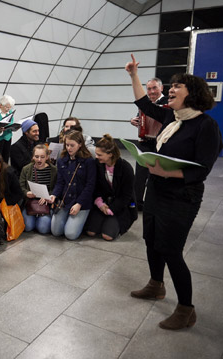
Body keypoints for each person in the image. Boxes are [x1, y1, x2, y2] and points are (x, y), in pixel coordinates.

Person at [125, 54, 222, 330]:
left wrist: (167, 172)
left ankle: (186, 309)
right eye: (171, 86)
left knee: (171, 250)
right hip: (157, 189)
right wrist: (133, 75)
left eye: (177, 87)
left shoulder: (206, 126)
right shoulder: (171, 116)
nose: (170, 89)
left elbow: (202, 169)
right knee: (151, 239)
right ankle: (156, 285)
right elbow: (143, 103)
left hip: (182, 197)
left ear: (193, 95)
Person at [85, 134, 136, 241]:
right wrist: (100, 204)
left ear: (110, 154)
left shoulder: (126, 168)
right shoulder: (98, 165)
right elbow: (96, 187)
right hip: (103, 203)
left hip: (121, 206)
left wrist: (111, 209)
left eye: (99, 154)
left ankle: (112, 222)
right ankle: (103, 221)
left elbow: (126, 196)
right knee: (90, 232)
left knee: (107, 236)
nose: (96, 156)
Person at [49, 130, 96, 240]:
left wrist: (79, 204)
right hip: (65, 200)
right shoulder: (62, 160)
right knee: (56, 232)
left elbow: (90, 185)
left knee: (70, 234)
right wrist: (54, 195)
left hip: (81, 201)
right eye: (67, 145)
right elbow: (60, 182)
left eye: (72, 145)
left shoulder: (88, 161)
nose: (69, 148)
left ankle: (83, 220)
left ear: (80, 145)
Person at [130, 78, 168, 211]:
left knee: (157, 176)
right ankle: (136, 203)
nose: (151, 92)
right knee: (139, 175)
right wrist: (133, 121)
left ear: (161, 88)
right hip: (145, 142)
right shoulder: (145, 103)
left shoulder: (168, 103)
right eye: (149, 89)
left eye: (154, 88)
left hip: (161, 145)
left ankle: (155, 204)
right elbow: (140, 118)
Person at [19, 144, 57, 234]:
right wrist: (26, 192)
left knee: (43, 229)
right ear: (33, 157)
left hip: (46, 202)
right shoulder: (26, 169)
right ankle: (35, 218)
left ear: (47, 157)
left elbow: (57, 187)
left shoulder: (54, 170)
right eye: (36, 157)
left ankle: (40, 219)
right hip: (31, 202)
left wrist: (48, 195)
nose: (39, 160)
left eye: (42, 157)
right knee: (27, 227)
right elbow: (20, 186)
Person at [0, 95, 16, 163]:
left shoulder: (9, 112)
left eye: (10, 107)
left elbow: (11, 121)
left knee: (6, 158)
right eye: (7, 107)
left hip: (7, 137)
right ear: (0, 105)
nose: (8, 109)